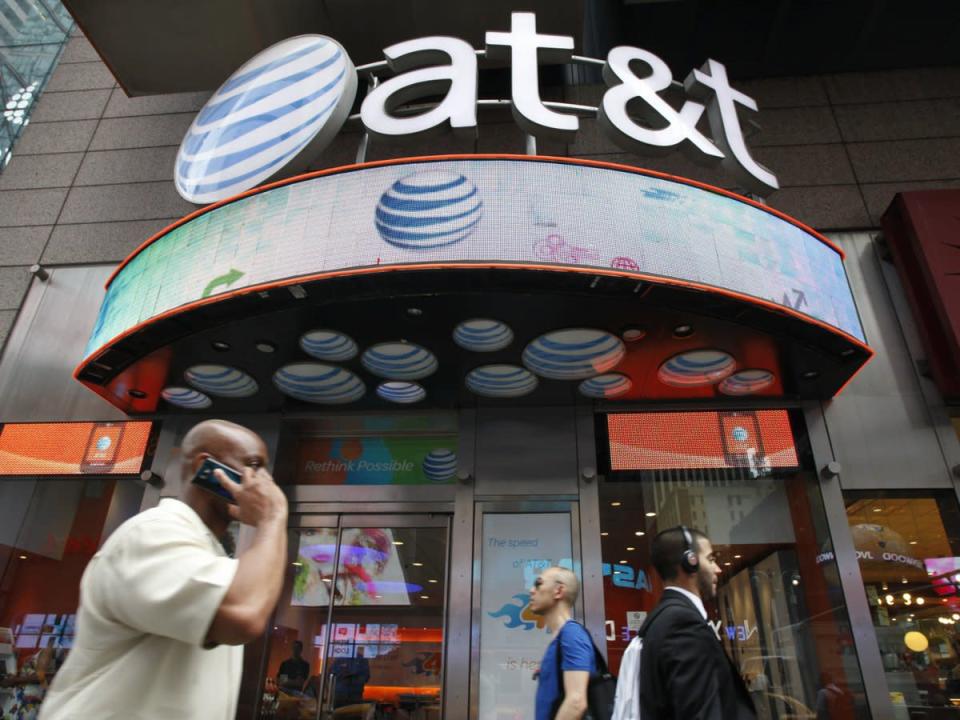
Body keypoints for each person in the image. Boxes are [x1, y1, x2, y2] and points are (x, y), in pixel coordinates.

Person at [39, 419, 289, 720]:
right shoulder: (152, 534)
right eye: (253, 466)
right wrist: (272, 519)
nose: (265, 483)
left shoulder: (207, 551)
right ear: (205, 468)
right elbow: (242, 615)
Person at [638, 526, 756, 720]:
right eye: (710, 559)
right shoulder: (681, 624)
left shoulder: (667, 617)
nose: (717, 568)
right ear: (689, 563)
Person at [529, 566, 595, 720]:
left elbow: (576, 702)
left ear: (558, 591)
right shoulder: (561, 636)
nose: (532, 590)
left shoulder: (572, 635)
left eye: (539, 584)